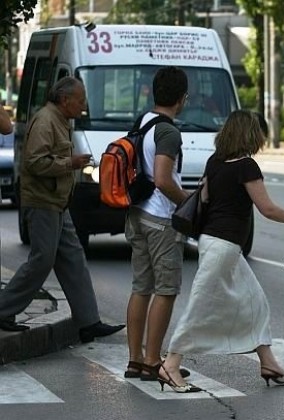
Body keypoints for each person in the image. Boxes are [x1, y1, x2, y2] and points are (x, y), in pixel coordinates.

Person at [160, 110, 284, 393]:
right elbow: (267, 209)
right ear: (251, 134)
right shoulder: (246, 166)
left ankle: (269, 363)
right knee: (201, 307)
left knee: (254, 303)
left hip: (214, 242)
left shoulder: (214, 162)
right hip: (224, 246)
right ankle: (170, 364)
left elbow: (204, 199)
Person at [0, 77, 124, 342]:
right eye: (80, 101)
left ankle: (89, 321)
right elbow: (34, 162)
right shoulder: (46, 120)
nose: (83, 106)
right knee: (42, 260)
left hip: (58, 202)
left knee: (74, 260)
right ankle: (3, 310)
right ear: (65, 100)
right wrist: (70, 163)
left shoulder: (60, 120)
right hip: (43, 202)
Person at [124, 66, 192, 381]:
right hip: (161, 219)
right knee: (166, 290)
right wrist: (189, 203)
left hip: (136, 214)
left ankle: (135, 359)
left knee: (141, 287)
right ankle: (153, 361)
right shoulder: (168, 132)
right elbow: (164, 179)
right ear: (182, 98)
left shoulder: (142, 122)